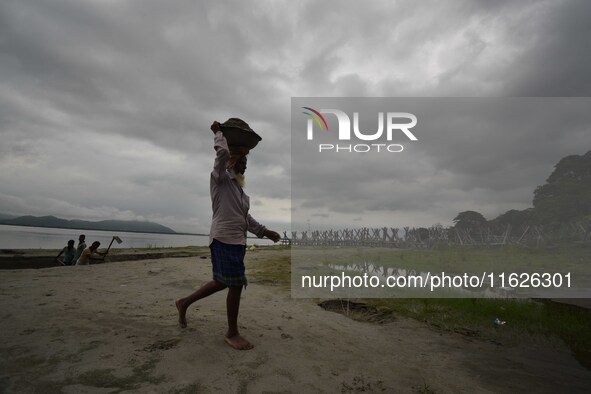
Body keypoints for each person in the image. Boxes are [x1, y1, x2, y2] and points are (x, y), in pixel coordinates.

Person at [175, 120, 281, 351]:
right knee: (235, 284)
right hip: (223, 239)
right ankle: (232, 333)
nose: (245, 166)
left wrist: (265, 232)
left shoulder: (241, 192)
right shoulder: (220, 179)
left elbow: (246, 219)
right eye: (241, 162)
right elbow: (222, 153)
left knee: (222, 282)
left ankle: (184, 303)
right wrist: (219, 133)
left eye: (246, 163)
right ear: (232, 161)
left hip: (237, 242)